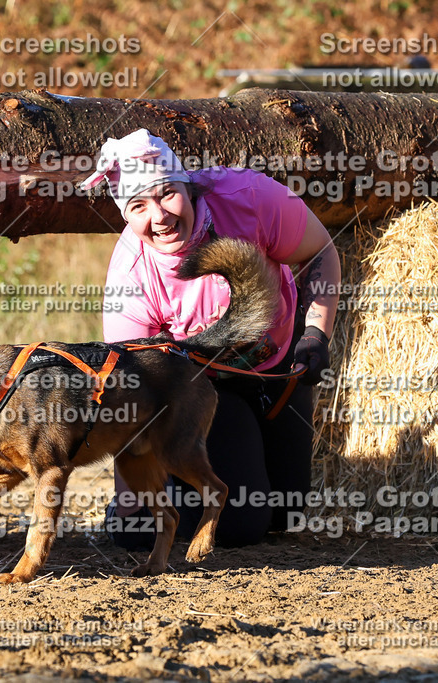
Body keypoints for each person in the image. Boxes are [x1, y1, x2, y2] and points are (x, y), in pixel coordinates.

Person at [80, 129, 341, 549]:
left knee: (286, 513)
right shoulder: (131, 275)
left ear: (188, 185)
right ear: (125, 216)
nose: (160, 216)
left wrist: (315, 334)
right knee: (241, 527)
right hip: (204, 386)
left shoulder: (250, 196)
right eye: (138, 206)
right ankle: (163, 505)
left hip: (279, 365)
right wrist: (131, 506)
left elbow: (320, 251)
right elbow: (132, 394)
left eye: (167, 194)